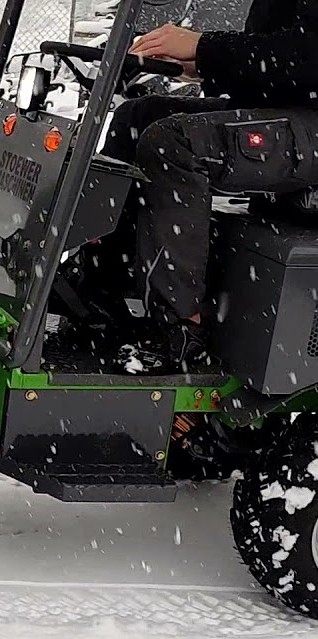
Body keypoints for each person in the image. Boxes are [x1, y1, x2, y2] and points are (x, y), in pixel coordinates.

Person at [97, 1, 318, 369]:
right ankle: (104, 283)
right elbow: (276, 69)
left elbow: (307, 55)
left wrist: (205, 48)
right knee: (137, 117)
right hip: (301, 116)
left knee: (174, 142)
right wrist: (203, 64)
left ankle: (179, 329)